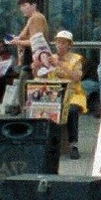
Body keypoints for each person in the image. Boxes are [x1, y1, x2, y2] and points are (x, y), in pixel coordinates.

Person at [36, 30, 87, 160]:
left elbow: (77, 77)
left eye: (63, 43)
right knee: (37, 106)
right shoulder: (49, 57)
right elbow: (41, 76)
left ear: (69, 45)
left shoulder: (76, 59)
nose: (59, 45)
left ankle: (73, 144)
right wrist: (36, 67)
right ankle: (43, 143)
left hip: (73, 94)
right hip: (54, 93)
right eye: (58, 42)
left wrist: (59, 64)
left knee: (72, 110)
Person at [8, 0, 49, 78]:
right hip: (30, 61)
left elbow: (36, 42)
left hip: (33, 62)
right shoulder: (32, 18)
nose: (21, 8)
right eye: (21, 6)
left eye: (24, 5)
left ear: (34, 5)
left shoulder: (36, 18)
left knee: (26, 88)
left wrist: (17, 42)